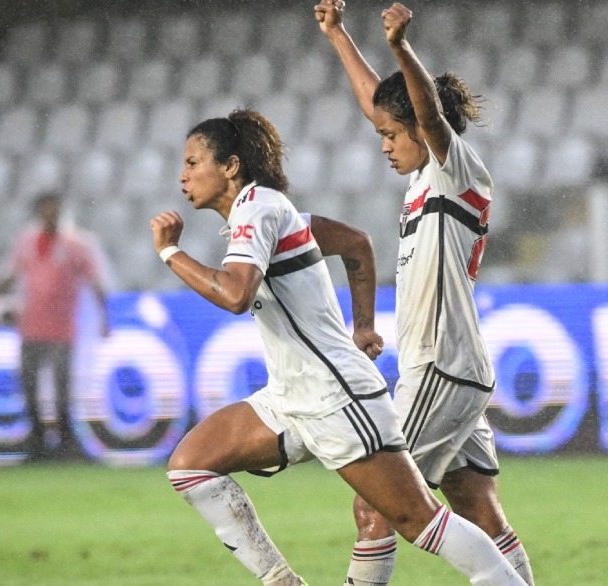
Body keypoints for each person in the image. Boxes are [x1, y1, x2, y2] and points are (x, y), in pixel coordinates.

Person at [153, 109, 527, 585]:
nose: (182, 175)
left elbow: (235, 294)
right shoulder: (269, 212)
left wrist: (170, 252)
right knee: (190, 466)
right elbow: (354, 242)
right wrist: (363, 326)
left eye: (192, 162)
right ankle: (281, 580)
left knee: (419, 521)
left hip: (335, 398)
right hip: (291, 397)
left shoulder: (258, 208)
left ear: (229, 165)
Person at [314, 2, 536, 584]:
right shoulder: (421, 177)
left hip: (442, 365)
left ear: (419, 125)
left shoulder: (454, 168)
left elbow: (428, 117)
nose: (384, 144)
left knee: (376, 503)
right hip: (446, 367)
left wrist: (400, 48)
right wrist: (339, 37)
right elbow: (379, 103)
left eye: (391, 134)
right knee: (479, 510)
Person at [0, 191, 110, 461]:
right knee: (29, 386)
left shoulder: (76, 244)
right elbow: (8, 275)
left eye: (54, 208)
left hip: (62, 329)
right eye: (45, 209)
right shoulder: (26, 242)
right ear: (38, 212)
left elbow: (95, 281)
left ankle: (65, 443)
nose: (50, 214)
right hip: (30, 326)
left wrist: (104, 317)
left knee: (61, 388)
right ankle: (37, 443)